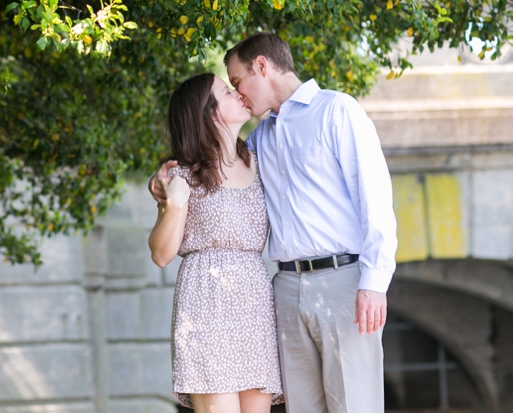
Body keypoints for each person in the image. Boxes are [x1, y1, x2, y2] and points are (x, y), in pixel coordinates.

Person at [150, 32, 397, 413]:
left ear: (262, 67)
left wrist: (375, 283)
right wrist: (163, 187)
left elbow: (376, 199)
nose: (239, 94)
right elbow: (207, 165)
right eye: (230, 89)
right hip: (282, 290)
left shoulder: (336, 111)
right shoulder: (259, 141)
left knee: (354, 404)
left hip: (341, 281)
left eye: (237, 83)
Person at [148, 72, 283, 413]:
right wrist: (175, 202)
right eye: (227, 91)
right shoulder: (184, 174)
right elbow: (161, 254)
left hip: (254, 303)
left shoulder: (259, 159)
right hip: (206, 304)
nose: (238, 93)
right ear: (209, 112)